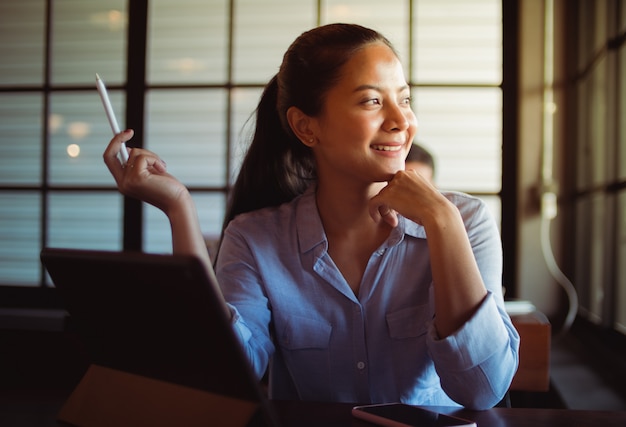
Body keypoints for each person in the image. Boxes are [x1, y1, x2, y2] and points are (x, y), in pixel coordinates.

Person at [103, 23, 519, 410]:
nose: (401, 121)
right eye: (372, 101)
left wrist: (442, 223)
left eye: (404, 99)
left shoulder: (463, 219)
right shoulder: (255, 237)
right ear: (306, 127)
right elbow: (231, 373)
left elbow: (482, 390)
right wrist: (179, 207)